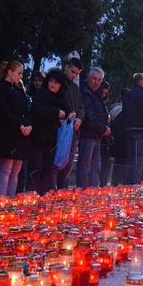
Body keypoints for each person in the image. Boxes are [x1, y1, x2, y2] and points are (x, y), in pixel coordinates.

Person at [0, 60, 31, 197]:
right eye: (19, 73)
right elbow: (4, 111)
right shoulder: (0, 88)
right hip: (7, 133)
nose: (21, 77)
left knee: (16, 170)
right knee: (6, 168)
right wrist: (20, 125)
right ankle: (1, 199)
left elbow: (27, 109)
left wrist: (28, 125)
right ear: (10, 72)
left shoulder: (20, 90)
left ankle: (11, 198)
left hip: (21, 134)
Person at [31, 68, 71, 192]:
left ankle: (44, 196)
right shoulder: (41, 94)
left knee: (48, 170)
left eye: (56, 82)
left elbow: (67, 111)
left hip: (52, 140)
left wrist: (70, 115)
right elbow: (36, 111)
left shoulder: (61, 98)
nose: (53, 84)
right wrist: (55, 113)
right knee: (37, 169)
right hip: (38, 138)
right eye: (51, 81)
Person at [77, 67, 110, 187]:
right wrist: (103, 128)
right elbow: (89, 116)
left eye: (99, 80)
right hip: (88, 134)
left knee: (96, 166)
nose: (96, 82)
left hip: (97, 135)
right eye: (94, 78)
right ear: (88, 78)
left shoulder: (95, 93)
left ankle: (92, 192)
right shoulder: (85, 93)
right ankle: (83, 193)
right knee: (86, 166)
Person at [56, 54, 85, 189]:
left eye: (77, 74)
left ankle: (63, 191)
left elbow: (81, 106)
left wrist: (79, 117)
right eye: (73, 71)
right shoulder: (56, 83)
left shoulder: (75, 88)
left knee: (67, 166)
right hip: (59, 129)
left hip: (73, 131)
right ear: (66, 67)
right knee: (56, 164)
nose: (74, 75)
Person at [99, 81, 113, 186]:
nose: (104, 95)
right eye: (102, 93)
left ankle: (103, 185)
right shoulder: (95, 101)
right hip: (97, 135)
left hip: (105, 138)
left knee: (106, 163)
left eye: (105, 94)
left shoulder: (103, 104)